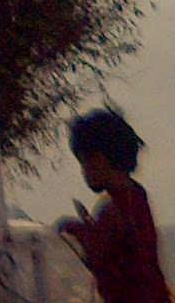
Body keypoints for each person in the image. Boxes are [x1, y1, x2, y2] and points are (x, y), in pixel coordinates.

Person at [57, 108, 169, 303]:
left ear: (99, 159)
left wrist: (71, 227)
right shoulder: (135, 196)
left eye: (84, 162)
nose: (84, 172)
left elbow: (97, 253)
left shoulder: (117, 208)